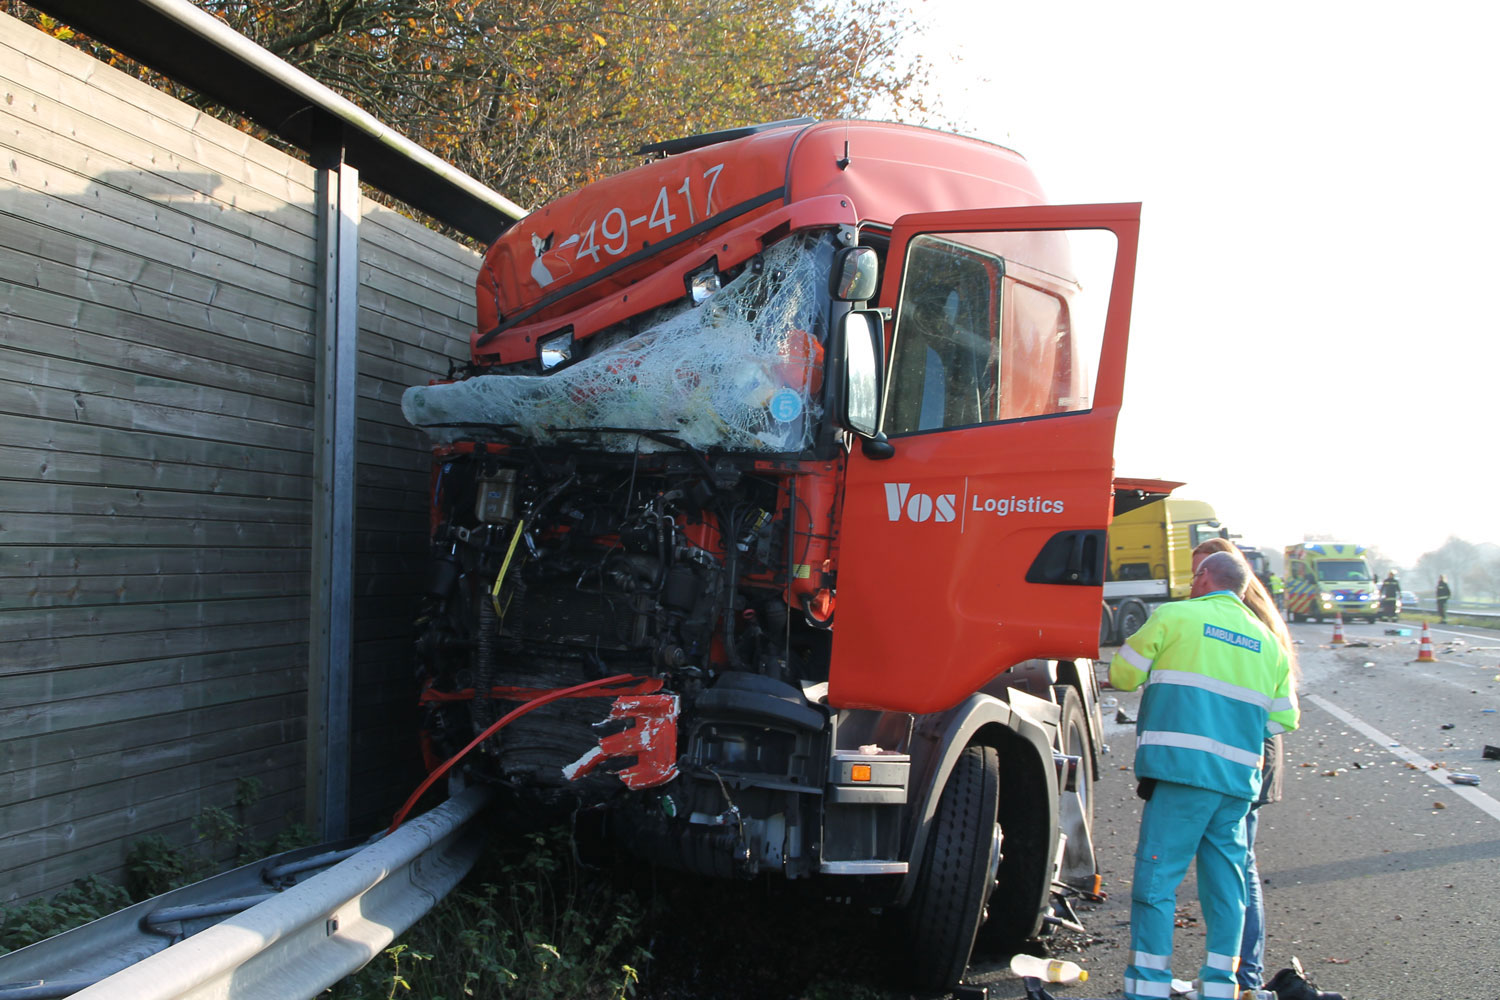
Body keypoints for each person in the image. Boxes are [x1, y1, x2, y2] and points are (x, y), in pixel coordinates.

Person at [1110, 551, 1298, 1000]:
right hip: (1236, 784)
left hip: (1181, 774)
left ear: (1205, 577)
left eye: (1195, 577)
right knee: (1225, 889)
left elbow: (1122, 675)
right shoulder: (1268, 640)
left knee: (1157, 883)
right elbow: (1282, 720)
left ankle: (1148, 987)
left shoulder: (1176, 616)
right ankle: (1219, 986)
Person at [1192, 539, 1298, 994]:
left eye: (1202, 572)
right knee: (1236, 863)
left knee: (1237, 866)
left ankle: (1244, 975)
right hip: (1246, 752)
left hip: (1245, 754)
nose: (1196, 582)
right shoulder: (1257, 617)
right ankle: (1239, 973)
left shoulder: (1241, 622)